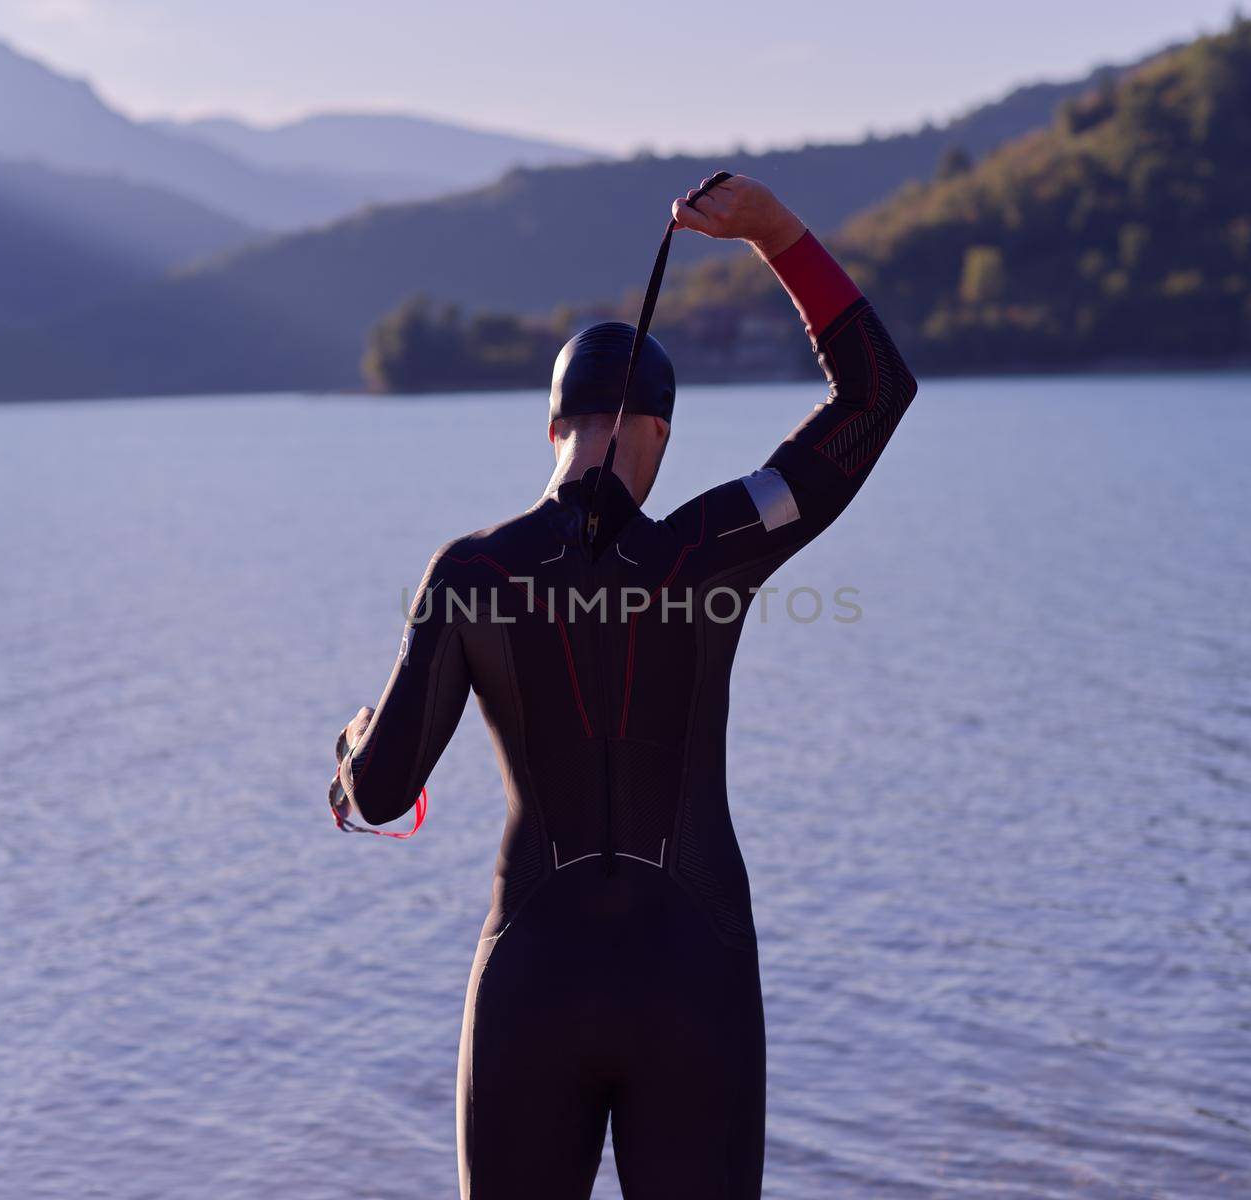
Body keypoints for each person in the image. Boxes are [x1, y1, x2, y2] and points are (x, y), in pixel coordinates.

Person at [329, 174, 918, 1199]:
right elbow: (873, 393)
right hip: (695, 977)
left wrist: (349, 746)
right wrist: (773, 235)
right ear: (658, 431)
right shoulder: (715, 546)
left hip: (531, 983)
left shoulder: (473, 574)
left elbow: (378, 793)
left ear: (552, 430)